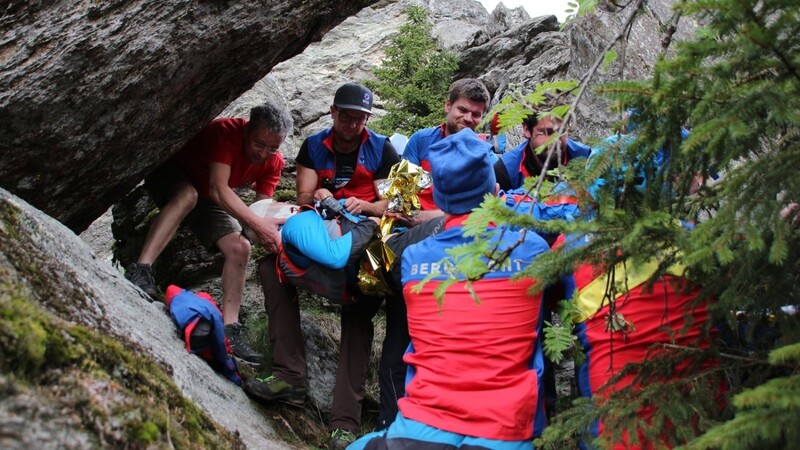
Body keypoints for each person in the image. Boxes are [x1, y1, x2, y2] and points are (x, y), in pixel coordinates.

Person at [349, 129, 551, 450]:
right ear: (496, 190)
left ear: (440, 201)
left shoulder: (413, 260)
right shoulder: (533, 250)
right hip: (505, 432)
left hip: (419, 427)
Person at [244, 83, 401, 450]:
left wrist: (357, 204)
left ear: (368, 118)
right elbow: (304, 198)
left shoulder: (381, 149)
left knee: (361, 303)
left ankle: (344, 422)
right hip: (326, 228)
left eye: (359, 117)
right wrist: (320, 195)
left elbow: (391, 205)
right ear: (332, 112)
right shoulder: (315, 145)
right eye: (345, 115)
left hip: (367, 238)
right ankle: (288, 376)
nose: (351, 123)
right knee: (272, 268)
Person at [124, 102, 293, 365]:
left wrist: (273, 234)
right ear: (248, 130)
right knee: (186, 195)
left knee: (240, 248)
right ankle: (141, 268)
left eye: (273, 148)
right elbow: (218, 188)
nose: (264, 153)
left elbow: (261, 210)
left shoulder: (273, 162)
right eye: (259, 144)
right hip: (175, 175)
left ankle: (230, 331)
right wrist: (258, 226)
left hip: (206, 196)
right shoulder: (225, 132)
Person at [401, 78, 493, 224]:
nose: (468, 119)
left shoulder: (485, 154)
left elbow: (485, 205)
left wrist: (429, 218)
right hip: (411, 223)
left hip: (456, 226)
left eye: (476, 114)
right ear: (448, 106)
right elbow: (403, 188)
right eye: (462, 110)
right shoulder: (420, 140)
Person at [494, 108, 591, 191]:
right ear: (527, 130)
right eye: (548, 132)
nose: (556, 140)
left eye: (562, 131)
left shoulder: (588, 159)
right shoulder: (506, 171)